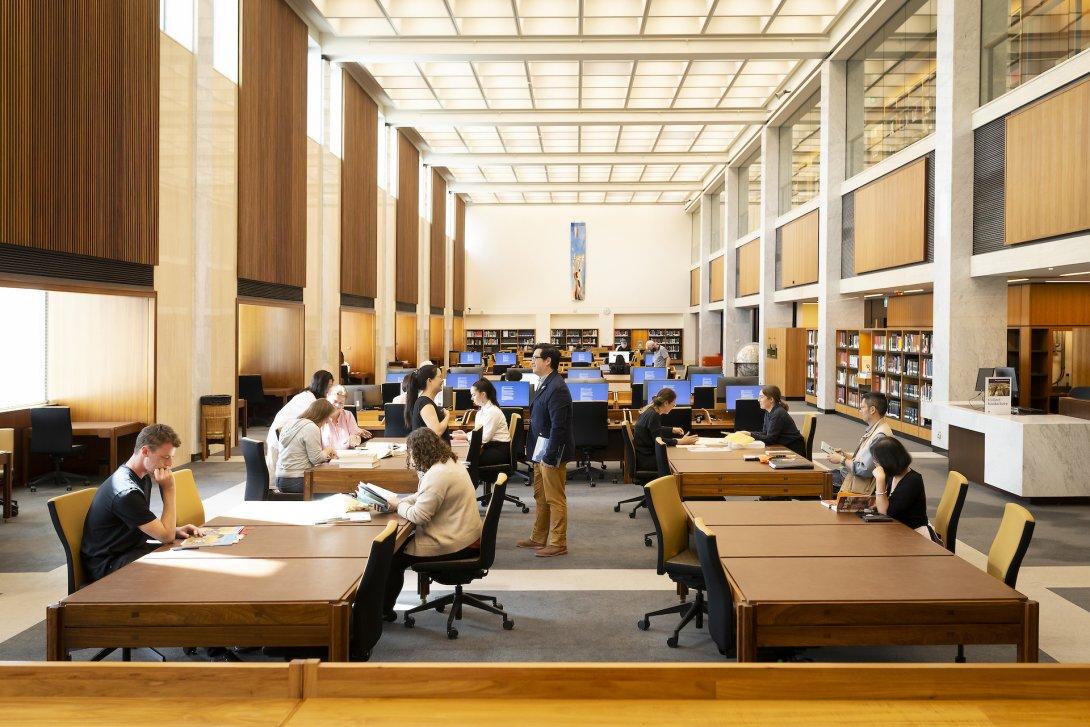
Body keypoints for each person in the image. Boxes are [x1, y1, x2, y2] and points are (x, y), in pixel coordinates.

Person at [81, 424, 205, 583]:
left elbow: (141, 525)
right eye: (165, 457)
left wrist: (174, 530)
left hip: (130, 550)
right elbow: (166, 537)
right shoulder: (126, 492)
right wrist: (169, 489)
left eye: (171, 457)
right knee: (180, 570)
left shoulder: (143, 477)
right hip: (108, 566)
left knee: (190, 556)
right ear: (145, 451)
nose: (169, 464)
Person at [381, 429, 483, 620]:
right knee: (396, 549)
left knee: (391, 557)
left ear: (420, 452)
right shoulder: (450, 463)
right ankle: (383, 609)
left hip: (454, 543)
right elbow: (425, 496)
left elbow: (419, 516)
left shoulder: (437, 475)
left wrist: (399, 505)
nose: (411, 459)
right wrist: (402, 501)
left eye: (411, 454)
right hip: (466, 535)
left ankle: (383, 612)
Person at [517, 344, 574, 557]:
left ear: (548, 360)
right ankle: (538, 537)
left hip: (552, 452)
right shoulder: (545, 383)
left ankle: (558, 543)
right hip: (540, 451)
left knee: (555, 498)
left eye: (535, 357)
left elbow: (559, 426)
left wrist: (550, 455)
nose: (531, 361)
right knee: (540, 496)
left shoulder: (557, 387)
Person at [266, 370, 335, 474]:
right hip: (280, 436)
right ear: (321, 385)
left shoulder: (307, 395)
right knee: (274, 475)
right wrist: (324, 451)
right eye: (328, 386)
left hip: (284, 435)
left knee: (278, 474)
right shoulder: (309, 400)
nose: (329, 390)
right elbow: (312, 429)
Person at [827, 392, 893, 495]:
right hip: (857, 480)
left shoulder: (879, 436)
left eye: (862, 407)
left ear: (872, 410)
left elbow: (865, 470)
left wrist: (842, 460)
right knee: (823, 477)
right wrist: (845, 455)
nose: (860, 410)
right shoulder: (876, 429)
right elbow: (864, 461)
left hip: (862, 487)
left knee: (821, 481)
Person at [871, 437, 936, 540]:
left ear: (888, 462)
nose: (875, 464)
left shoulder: (912, 480)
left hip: (915, 535)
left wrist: (879, 480)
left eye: (877, 461)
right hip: (897, 530)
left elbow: (885, 514)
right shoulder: (892, 475)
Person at [275, 399, 338, 494]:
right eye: (327, 418)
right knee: (336, 485)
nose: (327, 422)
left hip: (280, 479)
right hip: (297, 480)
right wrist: (329, 449)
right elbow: (316, 459)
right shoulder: (311, 427)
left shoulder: (290, 424)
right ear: (322, 416)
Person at [633, 387, 698, 473]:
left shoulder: (649, 410)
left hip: (643, 456)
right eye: (673, 404)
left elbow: (653, 430)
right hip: (647, 460)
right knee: (679, 461)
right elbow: (659, 441)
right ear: (666, 403)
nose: (673, 407)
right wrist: (680, 441)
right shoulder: (654, 415)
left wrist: (672, 430)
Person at [452, 378, 511, 466]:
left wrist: (465, 437)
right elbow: (478, 432)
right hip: (489, 446)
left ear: (483, 394)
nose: (472, 398)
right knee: (463, 458)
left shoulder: (492, 411)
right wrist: (466, 434)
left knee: (468, 462)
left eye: (474, 395)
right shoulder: (481, 411)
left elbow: (484, 438)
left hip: (498, 449)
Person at [745, 385, 806, 457]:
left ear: (771, 399)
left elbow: (770, 440)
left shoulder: (778, 414)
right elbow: (765, 433)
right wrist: (748, 434)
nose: (758, 400)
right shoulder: (768, 411)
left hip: (793, 450)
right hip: (783, 447)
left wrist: (750, 434)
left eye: (761, 397)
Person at [405, 363, 451, 438]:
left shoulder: (425, 401)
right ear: (429, 380)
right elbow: (437, 432)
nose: (442, 380)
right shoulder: (425, 404)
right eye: (440, 377)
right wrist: (447, 416)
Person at [322, 384, 372, 450]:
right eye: (335, 401)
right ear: (327, 398)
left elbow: (355, 440)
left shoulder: (348, 415)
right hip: (327, 456)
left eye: (341, 403)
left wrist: (356, 439)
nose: (337, 405)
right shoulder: (320, 416)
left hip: (346, 454)